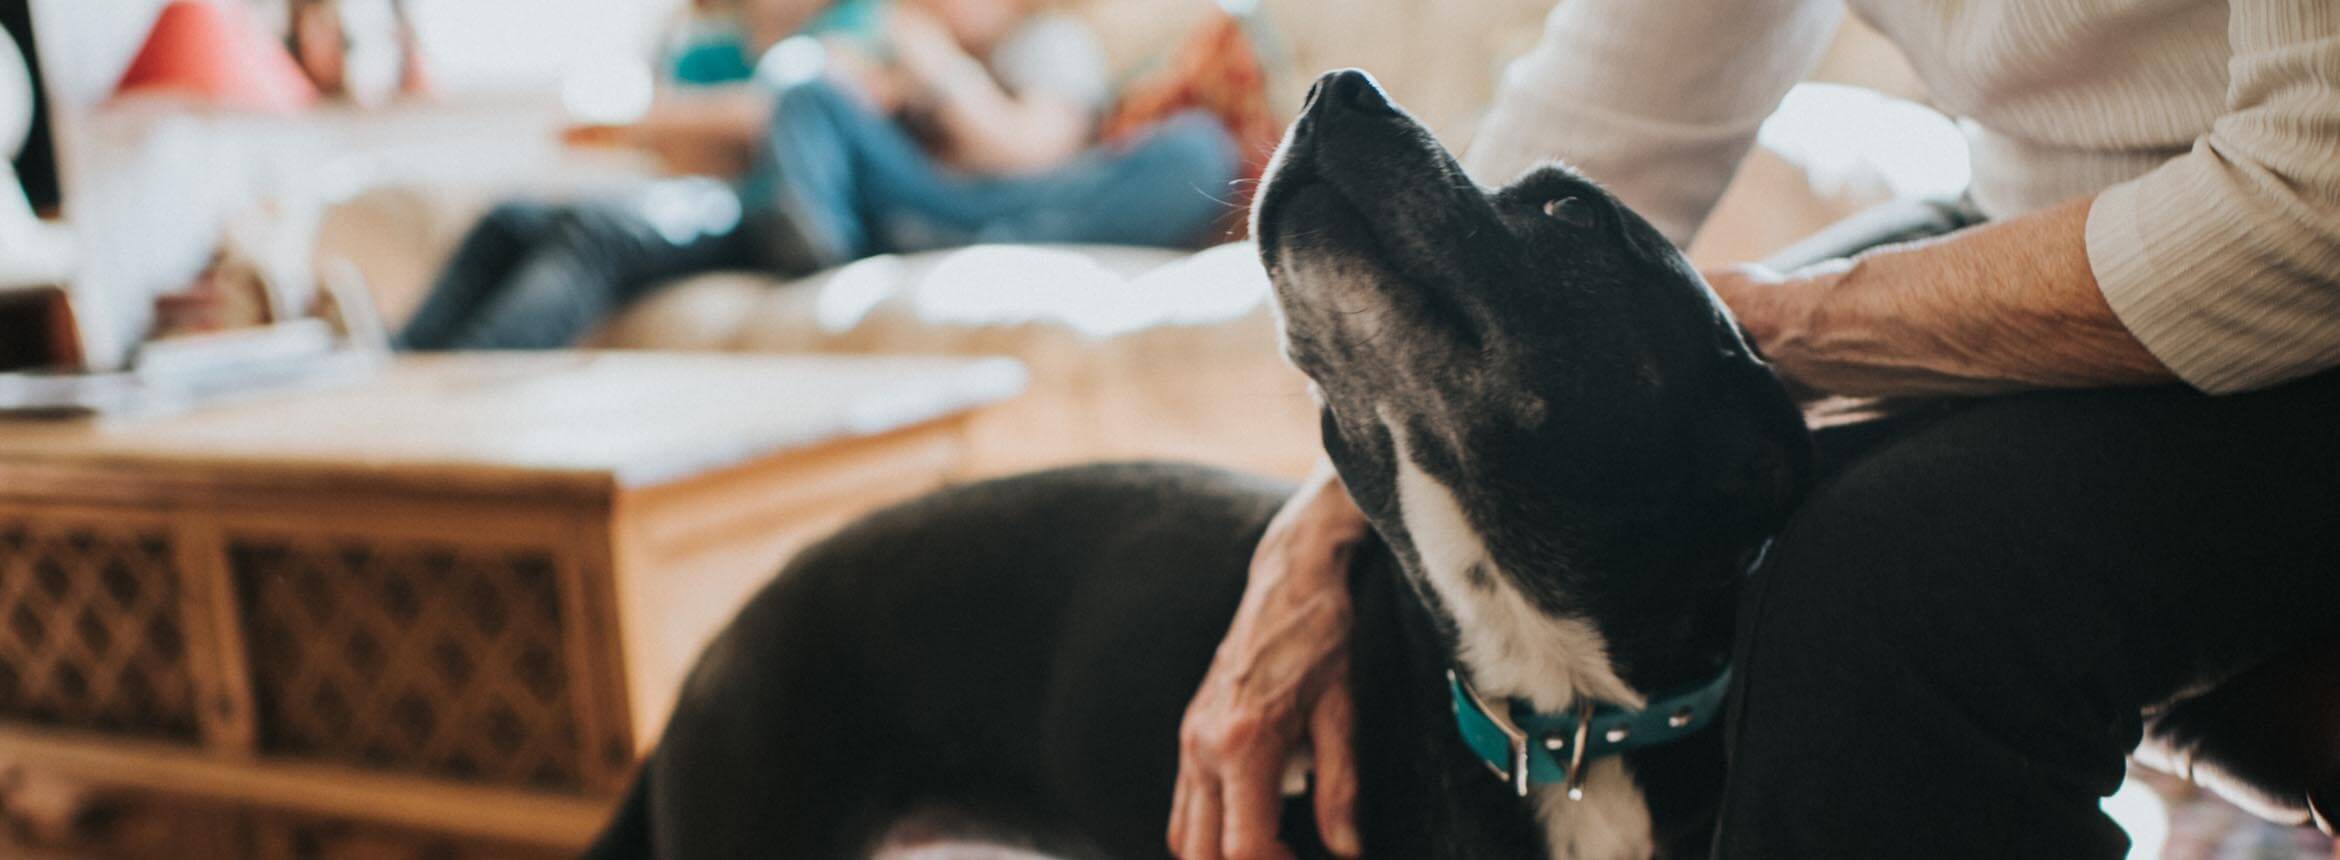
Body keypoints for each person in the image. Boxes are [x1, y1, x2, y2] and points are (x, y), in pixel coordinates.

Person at [1170, 2, 2340, 858]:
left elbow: (2311, 214)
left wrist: (1783, 325)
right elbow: (1617, 105)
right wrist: (1329, 520)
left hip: (2303, 272)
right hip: (2048, 207)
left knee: (1882, 574)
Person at [396, 0, 1238, 351]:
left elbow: (1027, 152)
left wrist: (934, 72)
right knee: (806, 92)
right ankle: (401, 367)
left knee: (1195, 151)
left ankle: (902, 237)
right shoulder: (865, 39)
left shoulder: (1047, 43)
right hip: (885, 209)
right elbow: (806, 118)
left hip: (1001, 203)